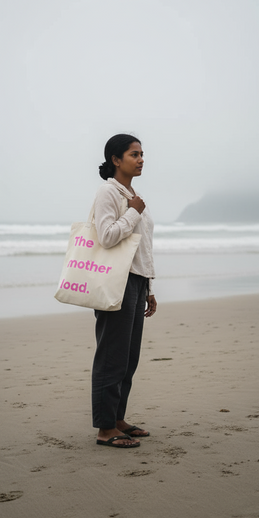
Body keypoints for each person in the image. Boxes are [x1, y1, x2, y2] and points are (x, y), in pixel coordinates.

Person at [92, 134, 157, 448]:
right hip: (117, 281)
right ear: (116, 160)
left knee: (129, 358)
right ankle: (105, 429)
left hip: (136, 281)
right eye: (134, 154)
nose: (141, 159)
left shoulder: (134, 194)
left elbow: (141, 246)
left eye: (142, 154)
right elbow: (106, 237)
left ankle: (118, 418)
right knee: (111, 358)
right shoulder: (109, 192)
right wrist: (133, 212)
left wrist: (149, 286)